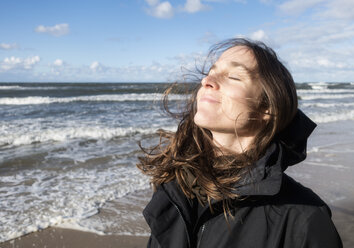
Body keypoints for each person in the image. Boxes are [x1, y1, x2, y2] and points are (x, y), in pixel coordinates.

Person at [137, 38, 343, 248]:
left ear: (267, 108)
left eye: (234, 76)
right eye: (211, 72)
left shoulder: (304, 219)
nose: (206, 81)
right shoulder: (177, 186)